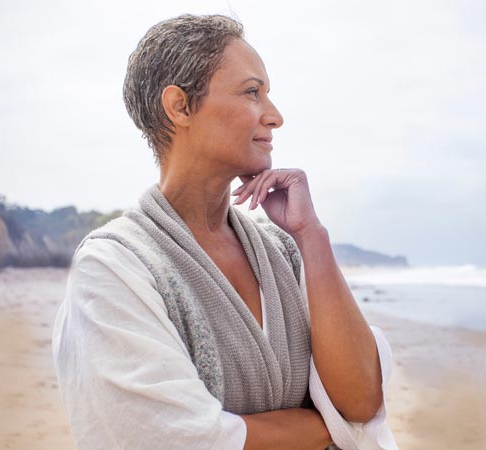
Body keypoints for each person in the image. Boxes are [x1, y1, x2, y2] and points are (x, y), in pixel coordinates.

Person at [52, 13, 397, 450]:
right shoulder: (115, 265)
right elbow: (170, 436)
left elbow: (363, 402)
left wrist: (311, 235)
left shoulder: (284, 251)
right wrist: (330, 427)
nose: (275, 117)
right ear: (179, 106)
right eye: (252, 92)